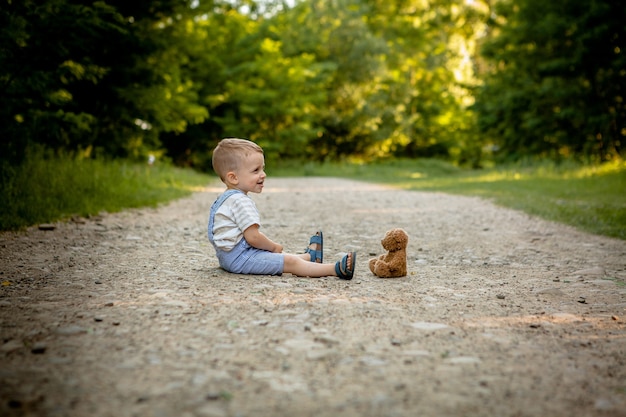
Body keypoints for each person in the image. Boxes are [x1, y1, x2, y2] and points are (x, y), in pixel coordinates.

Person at [207, 138, 356, 280]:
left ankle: (309, 258)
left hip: (227, 257)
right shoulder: (240, 201)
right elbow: (253, 238)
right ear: (233, 178)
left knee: (277, 256)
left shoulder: (226, 198)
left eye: (263, 169)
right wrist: (273, 246)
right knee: (288, 262)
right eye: (256, 170)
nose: (263, 175)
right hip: (239, 258)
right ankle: (335, 269)